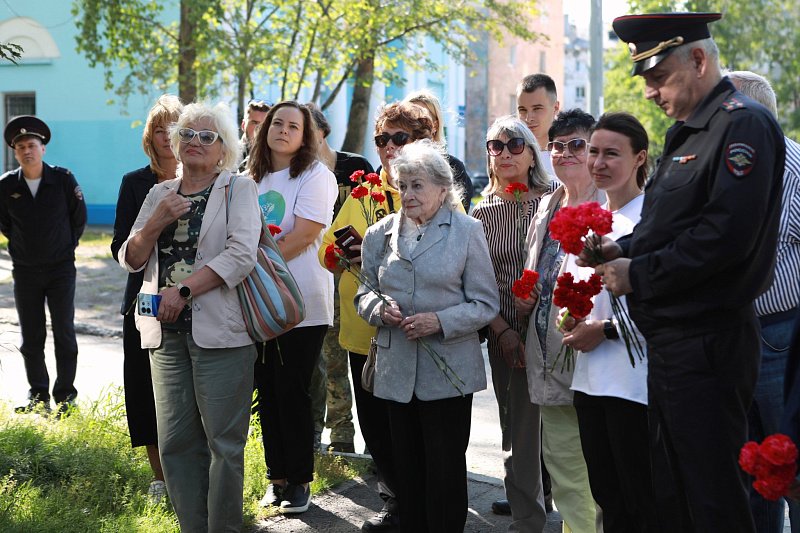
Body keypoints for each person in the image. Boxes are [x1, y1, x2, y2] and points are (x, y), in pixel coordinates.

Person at [591, 13, 786, 532]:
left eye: (659, 77)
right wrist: (617, 248)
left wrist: (639, 274)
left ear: (698, 60)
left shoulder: (742, 124)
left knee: (713, 498)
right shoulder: (686, 131)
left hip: (710, 342)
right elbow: (666, 226)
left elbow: (725, 239)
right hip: (674, 344)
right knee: (674, 494)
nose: (650, 92)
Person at [118, 101, 261, 532]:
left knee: (224, 445)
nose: (195, 141)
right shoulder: (159, 193)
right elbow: (130, 258)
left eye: (207, 136)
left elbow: (241, 256)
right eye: (187, 134)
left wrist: (182, 291)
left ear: (224, 150)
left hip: (222, 334)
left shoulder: (238, 189)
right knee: (175, 443)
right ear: (175, 143)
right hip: (164, 336)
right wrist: (155, 222)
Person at [356, 139, 499, 532]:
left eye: (417, 185)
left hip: (448, 371)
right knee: (407, 470)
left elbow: (485, 303)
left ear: (442, 188)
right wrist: (379, 309)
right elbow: (363, 292)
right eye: (402, 185)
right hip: (396, 368)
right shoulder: (380, 233)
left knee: (444, 469)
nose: (408, 194)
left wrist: (439, 321)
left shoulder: (466, 231)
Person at [319, 101, 437, 531]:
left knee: (412, 428)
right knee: (376, 428)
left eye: (398, 138)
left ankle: (425, 506)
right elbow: (325, 251)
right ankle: (395, 501)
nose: (388, 147)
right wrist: (343, 254)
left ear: (422, 141)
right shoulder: (363, 194)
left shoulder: (436, 192)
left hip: (413, 332)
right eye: (381, 139)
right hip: (362, 333)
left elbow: (448, 254)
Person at [560, 112, 658, 532]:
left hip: (637, 386)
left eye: (612, 153)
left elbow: (667, 305)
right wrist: (569, 319)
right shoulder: (587, 220)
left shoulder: (653, 221)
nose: (599, 163)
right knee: (608, 499)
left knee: (644, 503)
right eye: (594, 151)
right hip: (590, 382)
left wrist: (606, 330)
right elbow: (573, 293)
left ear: (640, 158)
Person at [514, 109, 602, 533]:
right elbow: (538, 269)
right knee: (564, 468)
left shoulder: (609, 205)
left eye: (577, 145)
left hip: (596, 361)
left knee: (601, 472)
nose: (565, 153)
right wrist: (528, 298)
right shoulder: (548, 204)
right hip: (549, 360)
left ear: (594, 150)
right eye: (557, 145)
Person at [247, 100, 337, 514]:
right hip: (255, 300)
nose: (283, 130)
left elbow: (302, 236)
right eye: (276, 123)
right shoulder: (249, 177)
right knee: (266, 390)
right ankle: (277, 478)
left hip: (300, 302)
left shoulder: (317, 176)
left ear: (306, 136)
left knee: (292, 389)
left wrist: (248, 267)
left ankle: (299, 481)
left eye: (293, 126)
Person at [471, 115, 554, 532]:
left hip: (557, 332)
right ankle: (527, 521)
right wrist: (502, 331)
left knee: (562, 429)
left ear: (532, 154)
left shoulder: (554, 200)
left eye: (515, 145)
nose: (504, 153)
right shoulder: (482, 212)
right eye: (495, 146)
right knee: (518, 433)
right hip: (506, 332)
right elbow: (477, 282)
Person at [727, 70, 800, 533]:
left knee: (790, 465)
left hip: (781, 336)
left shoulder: (792, 169)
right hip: (733, 337)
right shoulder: (731, 165)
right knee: (754, 472)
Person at [110, 94, 182, 502]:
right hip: (143, 300)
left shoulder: (209, 180)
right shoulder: (134, 182)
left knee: (189, 394)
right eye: (159, 129)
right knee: (145, 391)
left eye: (175, 128)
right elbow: (119, 248)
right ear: (149, 137)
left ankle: (192, 474)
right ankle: (159, 478)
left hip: (196, 300)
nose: (167, 136)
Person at [0, 115, 87, 416]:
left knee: (64, 332)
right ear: (15, 152)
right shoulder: (6, 185)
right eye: (21, 147)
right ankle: (38, 396)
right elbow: (5, 224)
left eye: (32, 145)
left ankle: (66, 397)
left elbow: (78, 218)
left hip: (60, 269)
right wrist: (23, 248)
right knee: (31, 336)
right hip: (25, 271)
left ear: (43, 148)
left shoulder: (62, 179)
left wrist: (64, 247)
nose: (27, 151)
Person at [306, 102, 374, 454]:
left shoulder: (355, 167)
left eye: (308, 130)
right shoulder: (300, 174)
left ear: (323, 131)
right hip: (318, 271)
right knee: (329, 356)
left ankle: (372, 437)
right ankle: (339, 432)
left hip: (359, 276)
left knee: (361, 355)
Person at [403, 89, 474, 210]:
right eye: (408, 118)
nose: (414, 125)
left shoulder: (454, 168)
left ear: (435, 126)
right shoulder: (389, 168)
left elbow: (459, 218)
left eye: (421, 119)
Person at [516, 74, 560, 177]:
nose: (528, 118)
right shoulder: (510, 155)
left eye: (537, 109)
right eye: (522, 110)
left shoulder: (571, 155)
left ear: (555, 108)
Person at [239, 99, 270, 171]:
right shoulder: (227, 154)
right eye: (255, 123)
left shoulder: (275, 158)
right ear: (243, 125)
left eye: (264, 125)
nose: (259, 129)